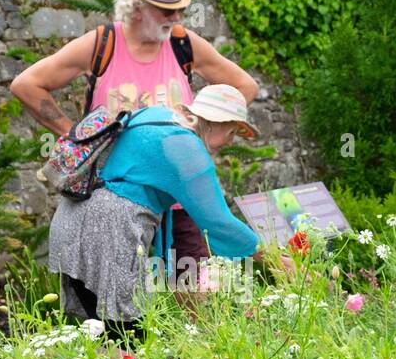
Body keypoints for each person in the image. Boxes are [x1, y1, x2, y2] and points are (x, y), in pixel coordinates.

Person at [10, 0, 259, 295]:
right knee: (117, 300)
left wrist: (204, 128)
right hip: (116, 198)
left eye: (179, 10)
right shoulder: (102, 44)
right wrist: (79, 137)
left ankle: (195, 347)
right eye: (166, 10)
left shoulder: (183, 44)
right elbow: (27, 84)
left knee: (194, 290)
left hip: (177, 198)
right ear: (137, 7)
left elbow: (244, 86)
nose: (175, 18)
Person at [47, 84, 269, 345]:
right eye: (232, 132)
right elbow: (219, 223)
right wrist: (273, 258)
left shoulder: (154, 116)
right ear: (215, 122)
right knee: (129, 339)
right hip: (108, 233)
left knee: (111, 337)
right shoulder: (186, 148)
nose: (231, 142)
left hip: (72, 221)